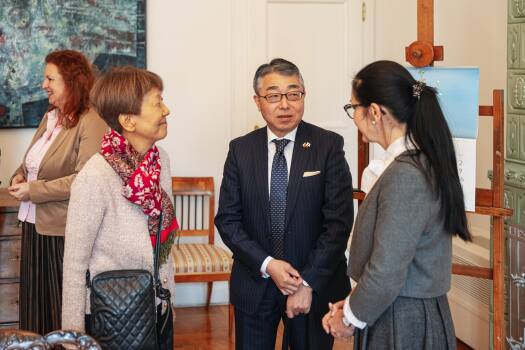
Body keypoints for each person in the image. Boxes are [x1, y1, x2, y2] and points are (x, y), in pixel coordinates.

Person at [322, 60, 472, 349]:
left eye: (354, 108)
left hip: (403, 319)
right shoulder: (416, 163)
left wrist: (349, 318)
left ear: (375, 112)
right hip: (395, 309)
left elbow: (386, 270)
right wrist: (354, 305)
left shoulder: (406, 175)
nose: (353, 117)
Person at [215, 58, 354, 350]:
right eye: (274, 96)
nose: (285, 105)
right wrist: (269, 265)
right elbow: (228, 220)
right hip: (255, 284)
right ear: (258, 101)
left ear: (303, 95)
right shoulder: (241, 149)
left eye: (294, 94)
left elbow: (338, 224)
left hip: (313, 288)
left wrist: (306, 283)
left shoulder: (328, 146)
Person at [61, 66, 178, 342]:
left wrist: (169, 301)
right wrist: (74, 337)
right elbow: (74, 265)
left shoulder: (160, 160)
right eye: (157, 103)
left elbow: (163, 240)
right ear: (128, 120)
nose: (166, 110)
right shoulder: (95, 176)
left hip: (157, 307)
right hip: (112, 316)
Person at [7, 49, 107, 334]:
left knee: (57, 308)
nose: (43, 84)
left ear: (71, 81)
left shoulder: (91, 120)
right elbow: (33, 162)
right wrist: (19, 175)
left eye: (50, 78)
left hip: (61, 232)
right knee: (35, 306)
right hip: (33, 225)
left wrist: (34, 190)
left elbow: (85, 180)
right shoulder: (51, 116)